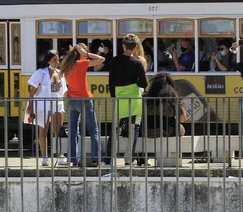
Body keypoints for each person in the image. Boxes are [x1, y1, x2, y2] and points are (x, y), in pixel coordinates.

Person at [105, 33, 148, 166]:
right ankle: (128, 159)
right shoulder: (137, 62)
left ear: (123, 46)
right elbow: (143, 84)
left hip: (119, 99)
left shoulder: (114, 61)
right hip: (134, 100)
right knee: (133, 129)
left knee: (115, 130)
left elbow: (111, 81)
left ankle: (108, 159)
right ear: (135, 47)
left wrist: (114, 97)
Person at [60, 43, 105, 167]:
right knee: (93, 130)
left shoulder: (67, 66)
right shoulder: (82, 63)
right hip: (84, 100)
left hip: (71, 100)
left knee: (74, 132)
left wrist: (78, 52)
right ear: (81, 53)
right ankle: (96, 159)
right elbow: (101, 59)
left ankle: (75, 160)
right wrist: (86, 55)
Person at [26, 50, 67, 167]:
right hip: (43, 103)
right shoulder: (40, 72)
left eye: (58, 59)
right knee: (43, 130)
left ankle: (60, 154)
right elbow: (32, 90)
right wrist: (30, 106)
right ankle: (44, 156)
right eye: (54, 60)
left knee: (58, 130)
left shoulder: (60, 73)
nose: (56, 62)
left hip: (57, 102)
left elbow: (62, 91)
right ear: (48, 60)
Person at [142, 72, 187, 138]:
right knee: (181, 128)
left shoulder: (146, 97)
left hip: (146, 132)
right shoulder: (173, 99)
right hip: (166, 132)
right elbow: (182, 118)